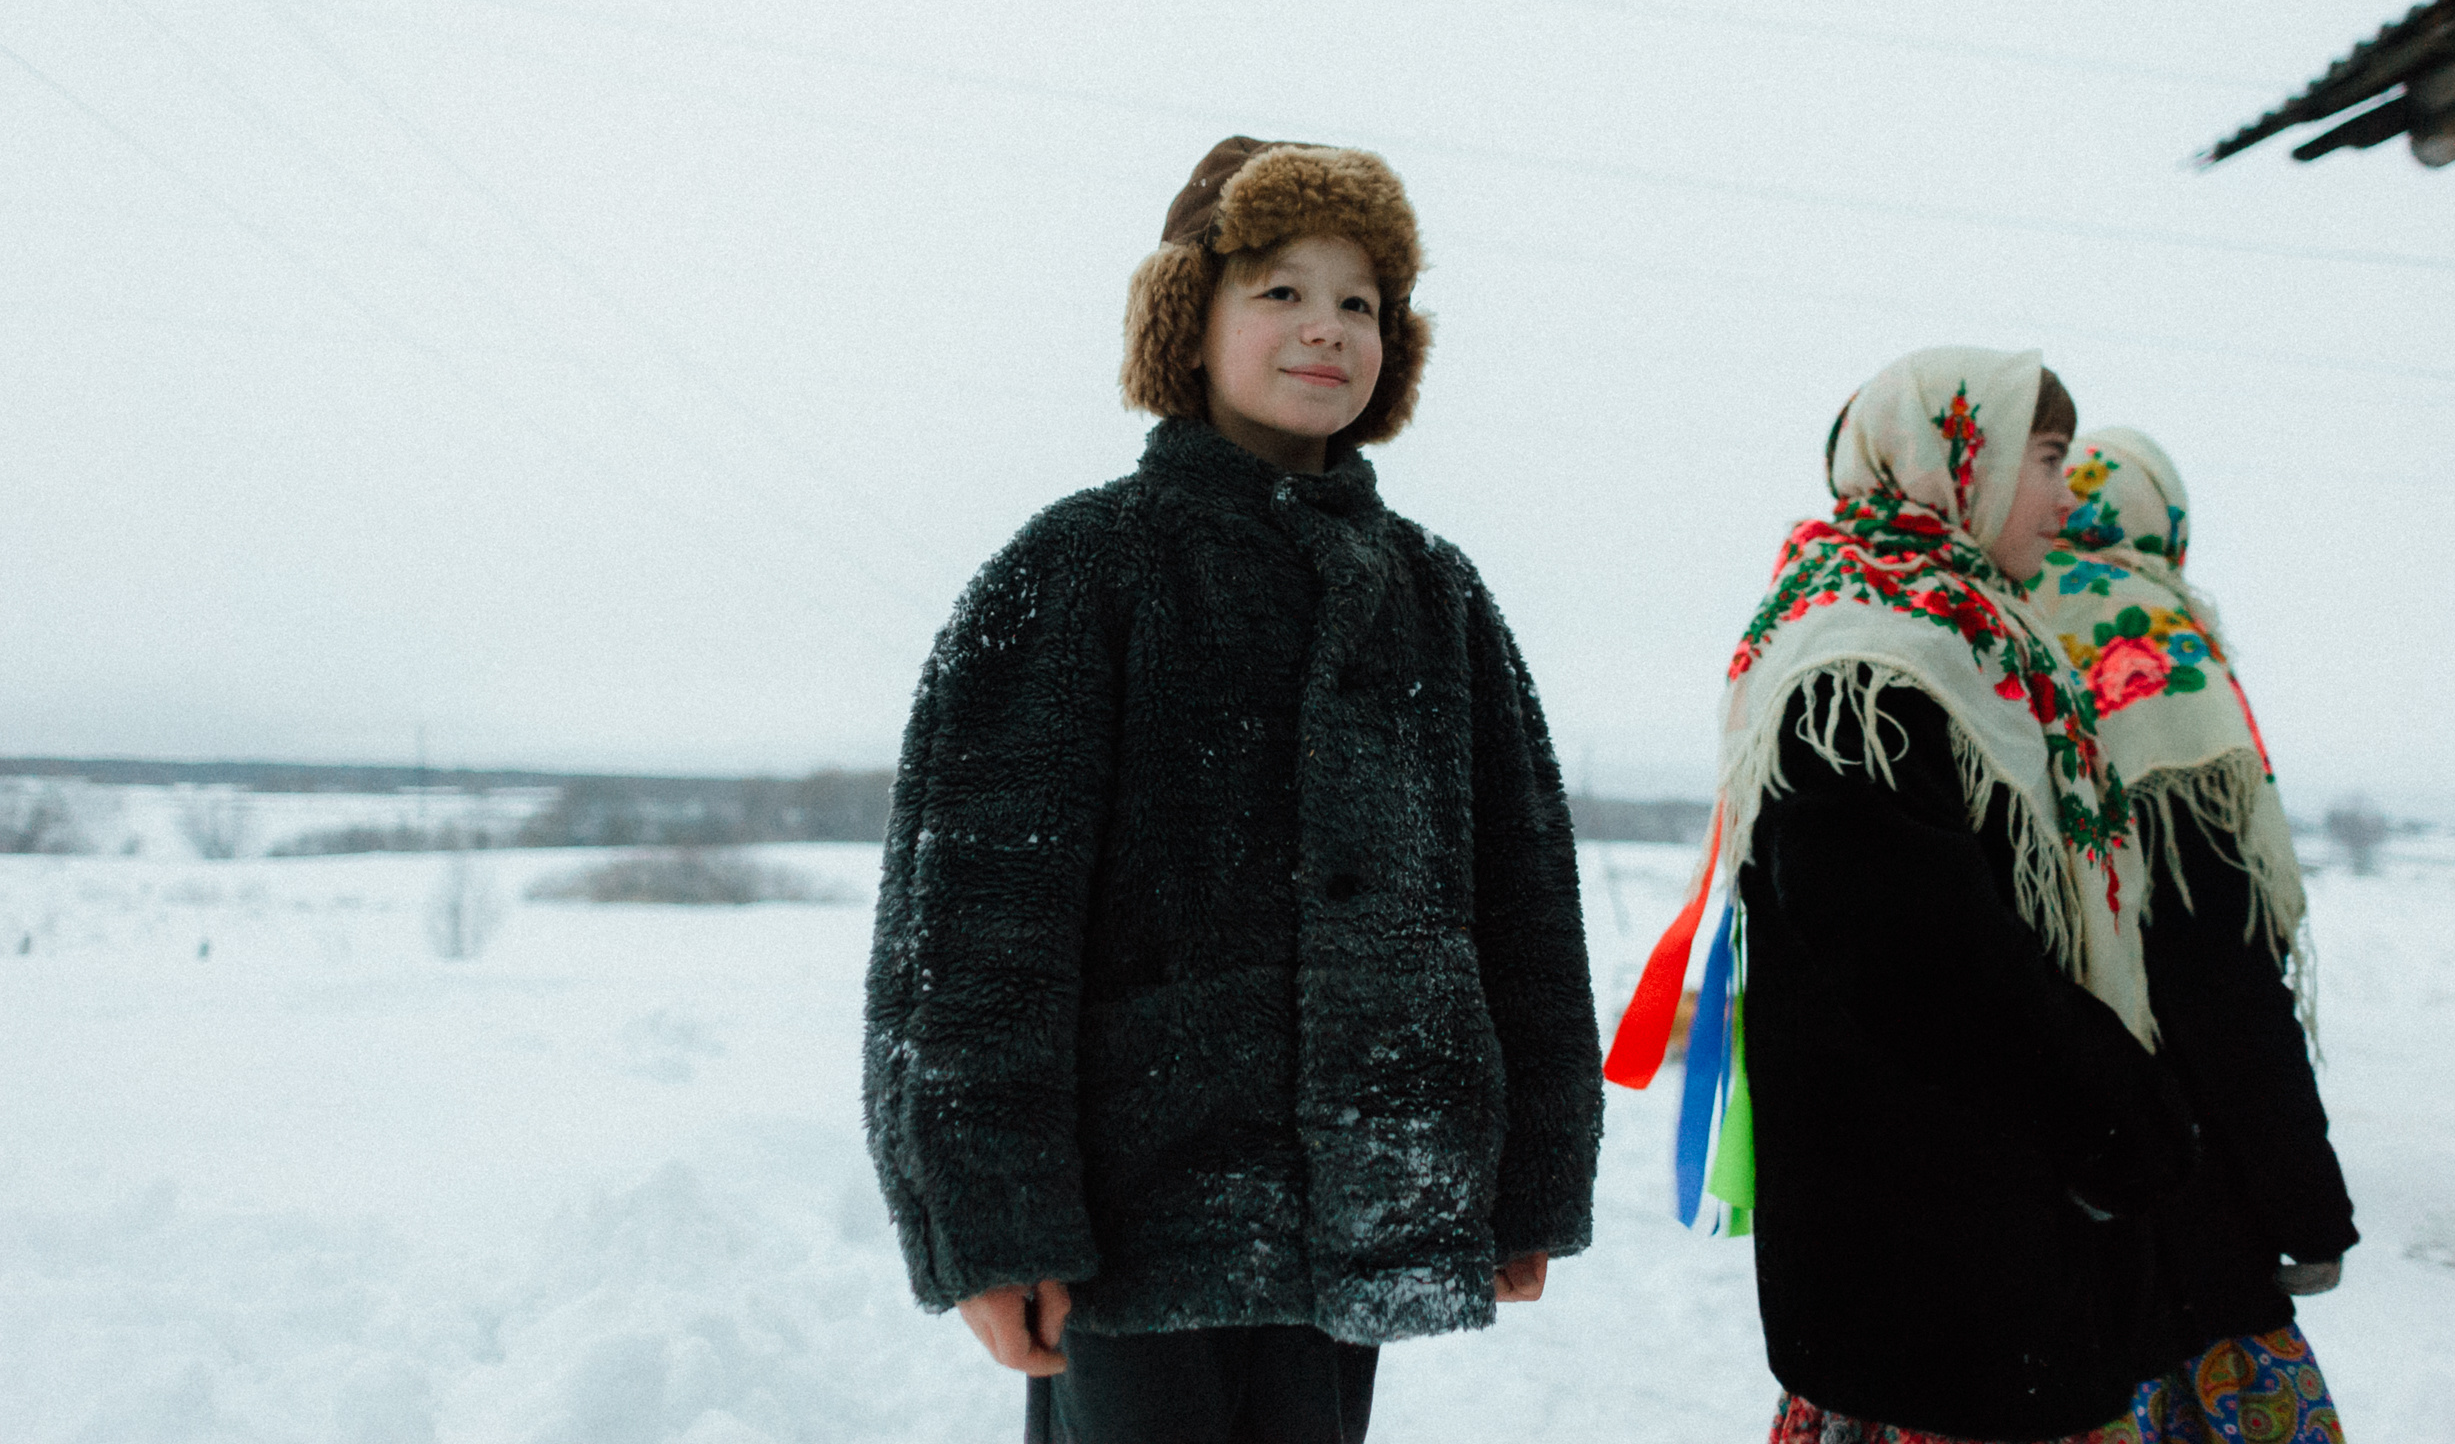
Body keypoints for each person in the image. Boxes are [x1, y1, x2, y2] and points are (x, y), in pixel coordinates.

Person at [862, 136, 1604, 1444]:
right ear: (1186, 321)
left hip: (1361, 1201)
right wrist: (989, 1219)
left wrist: (1529, 1177)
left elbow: (1527, 907)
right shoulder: (1078, 572)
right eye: (1279, 290)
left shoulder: (1436, 597)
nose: (1325, 329)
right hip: (1135, 1221)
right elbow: (975, 935)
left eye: (1360, 302)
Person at [1688, 347, 2194, 1442]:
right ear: (1949, 459)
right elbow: (1928, 962)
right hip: (1937, 1259)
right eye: (2047, 456)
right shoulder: (1865, 662)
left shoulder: (1971, 638)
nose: (2068, 494)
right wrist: (2116, 1107)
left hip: (1982, 1246)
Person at [2038, 428, 2355, 1441]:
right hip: (2171, 1190)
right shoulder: (2152, 654)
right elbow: (2214, 956)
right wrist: (2303, 1201)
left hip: (2023, 1169)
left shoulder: (1986, 625)